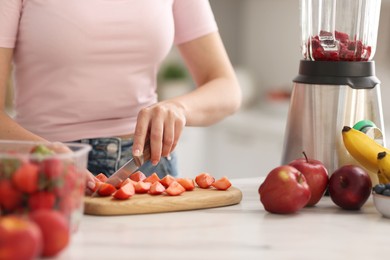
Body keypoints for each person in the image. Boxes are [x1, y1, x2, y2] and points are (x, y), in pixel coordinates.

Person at [0, 0, 241, 193]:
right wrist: (44, 151)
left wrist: (179, 108)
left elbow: (226, 87)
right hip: (48, 170)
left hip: (149, 167)